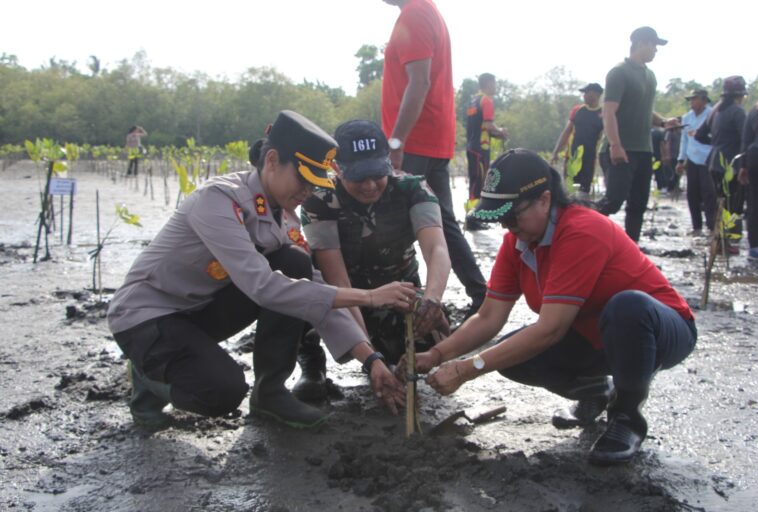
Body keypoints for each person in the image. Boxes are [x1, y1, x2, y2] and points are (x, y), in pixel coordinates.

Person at [107, 111, 416, 430]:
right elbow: (262, 286)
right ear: (271, 160)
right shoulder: (218, 200)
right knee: (221, 392)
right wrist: (369, 297)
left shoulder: (286, 218)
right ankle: (146, 379)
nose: (307, 192)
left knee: (296, 264)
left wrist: (372, 360)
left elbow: (318, 295)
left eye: (314, 184)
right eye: (303, 180)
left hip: (197, 312)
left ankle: (270, 392)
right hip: (147, 316)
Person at [413, 149, 696, 465]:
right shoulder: (517, 244)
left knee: (627, 307)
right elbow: (489, 316)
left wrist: (469, 368)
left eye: (511, 215)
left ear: (545, 199)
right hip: (594, 336)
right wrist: (437, 355)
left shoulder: (582, 231)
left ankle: (627, 416)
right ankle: (593, 391)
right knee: (511, 356)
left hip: (660, 330)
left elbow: (550, 330)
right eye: (501, 218)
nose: (507, 226)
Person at [294, 120, 451, 401]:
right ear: (337, 168)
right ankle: (312, 363)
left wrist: (433, 299)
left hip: (399, 295)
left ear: (388, 162)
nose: (370, 186)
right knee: (298, 275)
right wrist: (371, 360)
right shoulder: (320, 200)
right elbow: (336, 279)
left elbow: (436, 249)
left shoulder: (412, 188)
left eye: (377, 174)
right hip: (347, 299)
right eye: (359, 177)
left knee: (428, 347)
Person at [381, 0, 487, 317]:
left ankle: (403, 303)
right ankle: (481, 294)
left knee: (394, 222)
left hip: (416, 140)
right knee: (442, 222)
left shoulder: (415, 13)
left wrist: (397, 140)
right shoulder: (425, 11)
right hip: (432, 138)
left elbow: (420, 81)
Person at [596, 27, 680, 242]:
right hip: (621, 150)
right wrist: (615, 145)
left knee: (638, 205)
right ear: (640, 43)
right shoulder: (619, 72)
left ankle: (631, 249)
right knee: (613, 202)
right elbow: (608, 111)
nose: (655, 50)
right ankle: (580, 233)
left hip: (644, 150)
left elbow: (642, 108)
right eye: (653, 45)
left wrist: (662, 122)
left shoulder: (650, 76)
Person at [695, 76, 748, 254]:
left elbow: (699, 136)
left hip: (713, 162)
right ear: (740, 95)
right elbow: (745, 139)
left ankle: (719, 240)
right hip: (730, 163)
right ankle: (729, 243)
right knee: (734, 205)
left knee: (721, 203)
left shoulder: (714, 112)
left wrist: (718, 143)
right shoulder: (737, 112)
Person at [465, 72, 508, 230]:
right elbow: (489, 126)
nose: (495, 87)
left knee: (474, 182)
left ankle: (471, 216)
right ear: (488, 83)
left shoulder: (473, 101)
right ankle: (474, 219)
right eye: (494, 83)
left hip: (471, 146)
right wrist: (501, 132)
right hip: (481, 148)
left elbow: (479, 126)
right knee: (480, 183)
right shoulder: (487, 100)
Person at [551, 83, 604, 196]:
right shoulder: (578, 110)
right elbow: (567, 131)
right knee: (568, 188)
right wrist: (556, 151)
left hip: (589, 157)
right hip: (572, 156)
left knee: (584, 190)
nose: (584, 96)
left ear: (596, 94)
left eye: (586, 93)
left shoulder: (603, 114)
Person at [676, 89, 715, 234]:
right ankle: (696, 227)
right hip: (692, 158)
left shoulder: (712, 115)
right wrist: (681, 160)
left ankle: (711, 225)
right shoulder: (687, 118)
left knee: (709, 193)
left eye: (695, 99)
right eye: (690, 100)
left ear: (704, 100)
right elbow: (684, 140)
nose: (692, 102)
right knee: (692, 193)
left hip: (708, 158)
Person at [739, 92, 758, 259]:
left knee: (756, 204)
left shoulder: (755, 109)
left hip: (754, 158)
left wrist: (743, 166)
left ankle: (755, 247)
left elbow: (746, 138)